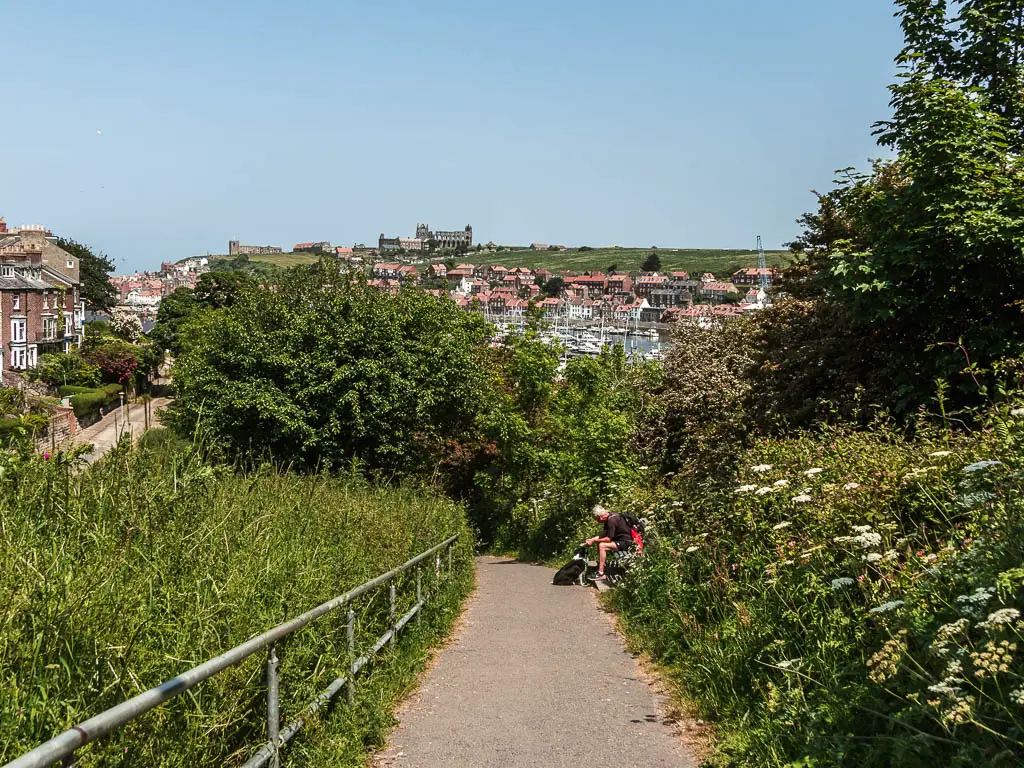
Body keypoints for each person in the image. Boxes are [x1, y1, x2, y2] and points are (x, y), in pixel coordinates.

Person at [585, 504, 633, 581]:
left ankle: (601, 574)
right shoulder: (610, 516)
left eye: (597, 520)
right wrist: (591, 539)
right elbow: (603, 535)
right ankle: (601, 567)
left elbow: (608, 539)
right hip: (619, 541)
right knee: (600, 543)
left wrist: (594, 540)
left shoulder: (612, 520)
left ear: (600, 517)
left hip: (626, 542)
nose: (597, 522)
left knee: (602, 545)